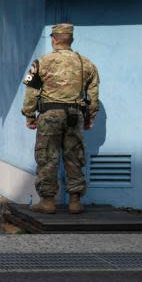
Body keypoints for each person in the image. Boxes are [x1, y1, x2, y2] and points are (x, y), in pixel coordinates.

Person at [21, 23, 100, 215]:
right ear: (71, 40)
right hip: (75, 115)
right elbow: (93, 95)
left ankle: (48, 201)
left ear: (54, 39)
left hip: (49, 116)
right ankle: (75, 201)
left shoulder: (41, 62)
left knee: (47, 157)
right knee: (74, 156)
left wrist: (30, 115)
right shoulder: (87, 64)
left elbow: (31, 92)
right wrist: (89, 118)